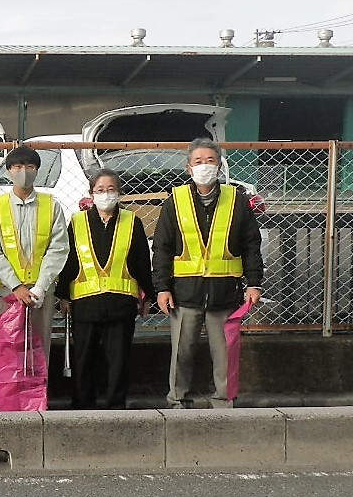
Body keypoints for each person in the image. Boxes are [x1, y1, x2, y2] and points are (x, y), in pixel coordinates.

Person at [152, 138, 263, 408]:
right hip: (184, 295)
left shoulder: (237, 201)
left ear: (220, 165)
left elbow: (251, 245)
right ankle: (178, 401)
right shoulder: (174, 201)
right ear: (189, 168)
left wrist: (254, 283)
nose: (205, 167)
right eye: (198, 162)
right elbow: (162, 248)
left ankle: (224, 403)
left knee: (224, 353)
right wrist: (162, 287)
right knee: (181, 352)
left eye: (210, 161)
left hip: (224, 295)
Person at [55, 169, 153, 409]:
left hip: (120, 305)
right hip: (85, 305)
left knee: (119, 360)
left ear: (119, 192)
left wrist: (147, 295)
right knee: (84, 359)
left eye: (111, 190)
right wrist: (63, 296)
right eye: (100, 190)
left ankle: (116, 406)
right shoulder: (77, 222)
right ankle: (81, 405)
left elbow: (141, 261)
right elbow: (69, 261)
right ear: (91, 194)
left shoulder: (132, 221)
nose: (106, 194)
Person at [0, 146, 69, 364]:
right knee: (8, 349)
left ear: (37, 170)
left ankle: (38, 397)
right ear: (9, 171)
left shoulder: (52, 206)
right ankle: (10, 398)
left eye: (30, 167)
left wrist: (41, 286)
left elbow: (58, 248)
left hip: (41, 293)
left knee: (38, 350)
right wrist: (16, 286)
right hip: (7, 292)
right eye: (18, 166)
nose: (24, 171)